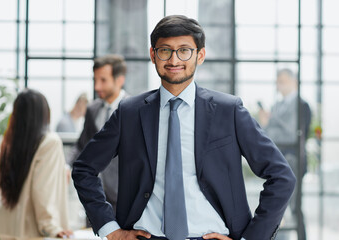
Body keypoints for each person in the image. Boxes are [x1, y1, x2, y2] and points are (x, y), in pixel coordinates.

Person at [72, 15, 296, 240]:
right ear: (153, 55)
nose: (174, 59)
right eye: (165, 50)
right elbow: (84, 169)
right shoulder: (129, 112)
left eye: (184, 50)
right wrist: (110, 229)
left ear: (200, 55)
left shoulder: (229, 111)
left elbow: (282, 176)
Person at [0, 89, 72, 238]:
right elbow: (43, 190)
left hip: (5, 230)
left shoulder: (6, 143)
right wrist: (51, 227)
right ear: (44, 114)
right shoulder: (49, 142)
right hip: (30, 232)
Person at [68, 54, 129, 211]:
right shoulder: (92, 109)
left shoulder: (133, 110)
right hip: (94, 193)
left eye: (103, 80)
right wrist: (66, 166)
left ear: (119, 80)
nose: (97, 87)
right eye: (95, 80)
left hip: (122, 194)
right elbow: (82, 145)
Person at [258, 68, 311, 240]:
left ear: (293, 81)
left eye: (282, 81)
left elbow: (291, 135)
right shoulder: (278, 105)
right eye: (277, 81)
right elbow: (268, 135)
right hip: (278, 162)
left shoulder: (301, 105)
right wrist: (266, 124)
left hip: (292, 161)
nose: (278, 85)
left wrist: (268, 126)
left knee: (294, 206)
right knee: (277, 205)